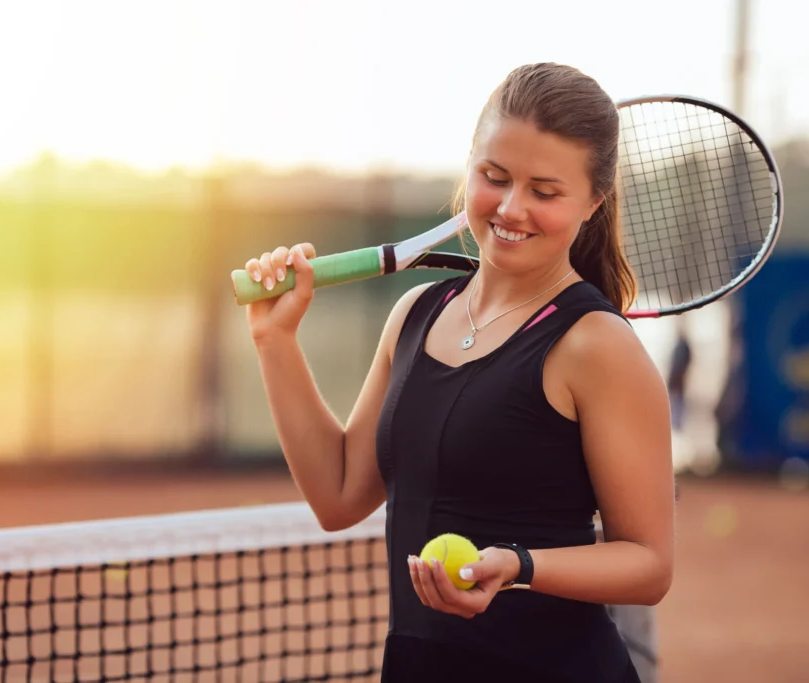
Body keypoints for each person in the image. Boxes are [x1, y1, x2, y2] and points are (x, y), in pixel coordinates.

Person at [241, 63, 674, 682]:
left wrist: (519, 566)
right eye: (493, 177)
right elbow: (338, 497)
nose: (512, 207)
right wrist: (275, 340)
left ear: (592, 203)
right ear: (469, 164)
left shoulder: (598, 344)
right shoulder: (416, 313)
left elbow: (650, 566)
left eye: (545, 192)